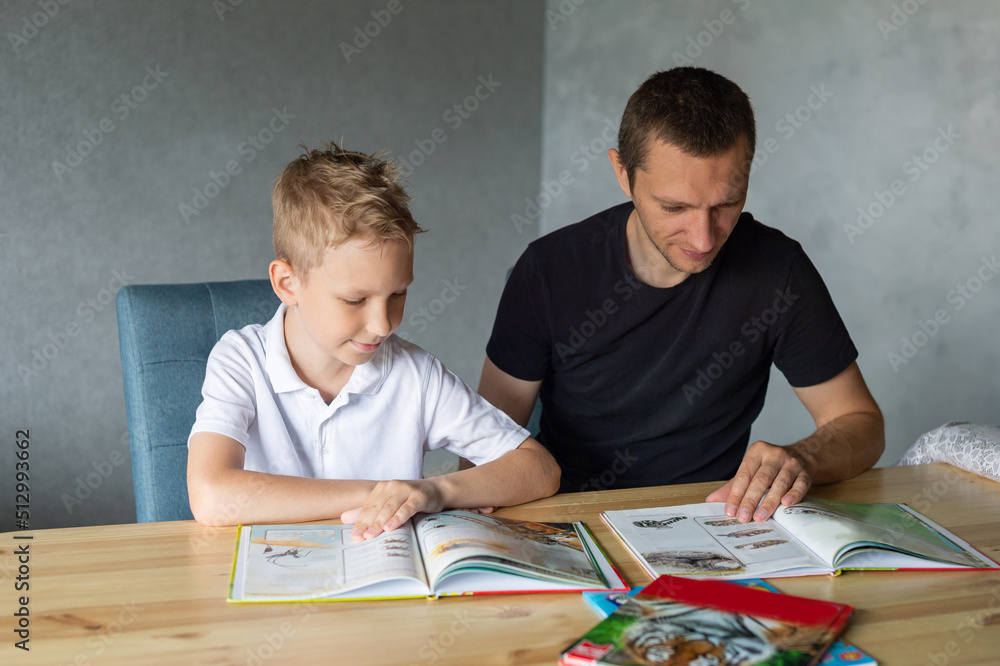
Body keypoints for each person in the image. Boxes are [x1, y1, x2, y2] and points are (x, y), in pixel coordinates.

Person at [479, 67, 884, 523]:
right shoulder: (549, 271)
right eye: (674, 207)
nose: (704, 238)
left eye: (726, 204)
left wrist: (803, 458)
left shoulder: (778, 271)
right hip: (573, 521)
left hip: (711, 523)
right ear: (622, 173)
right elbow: (482, 445)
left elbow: (861, 424)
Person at [187, 142, 560, 539]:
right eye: (355, 299)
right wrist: (377, 494)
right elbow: (211, 495)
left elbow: (539, 469)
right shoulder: (241, 359)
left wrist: (434, 490)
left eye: (397, 294)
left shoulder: (415, 374)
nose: (384, 325)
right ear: (287, 283)